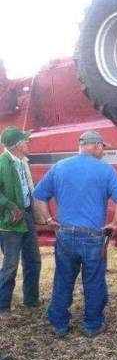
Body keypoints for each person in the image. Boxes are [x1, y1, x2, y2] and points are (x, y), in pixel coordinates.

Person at [33, 130, 117, 338]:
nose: (103, 151)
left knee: (63, 278)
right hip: (93, 236)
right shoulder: (106, 170)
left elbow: (39, 195)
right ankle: (92, 325)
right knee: (93, 280)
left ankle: (59, 323)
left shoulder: (59, 167)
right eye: (103, 147)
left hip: (65, 234)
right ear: (95, 146)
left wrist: (49, 220)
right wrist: (114, 223)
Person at [0, 126, 41, 315]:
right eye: (25, 141)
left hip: (27, 216)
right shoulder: (2, 164)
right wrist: (9, 205)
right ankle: (3, 307)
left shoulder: (22, 161)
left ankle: (31, 300)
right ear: (17, 145)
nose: (28, 142)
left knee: (33, 260)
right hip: (10, 223)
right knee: (10, 265)